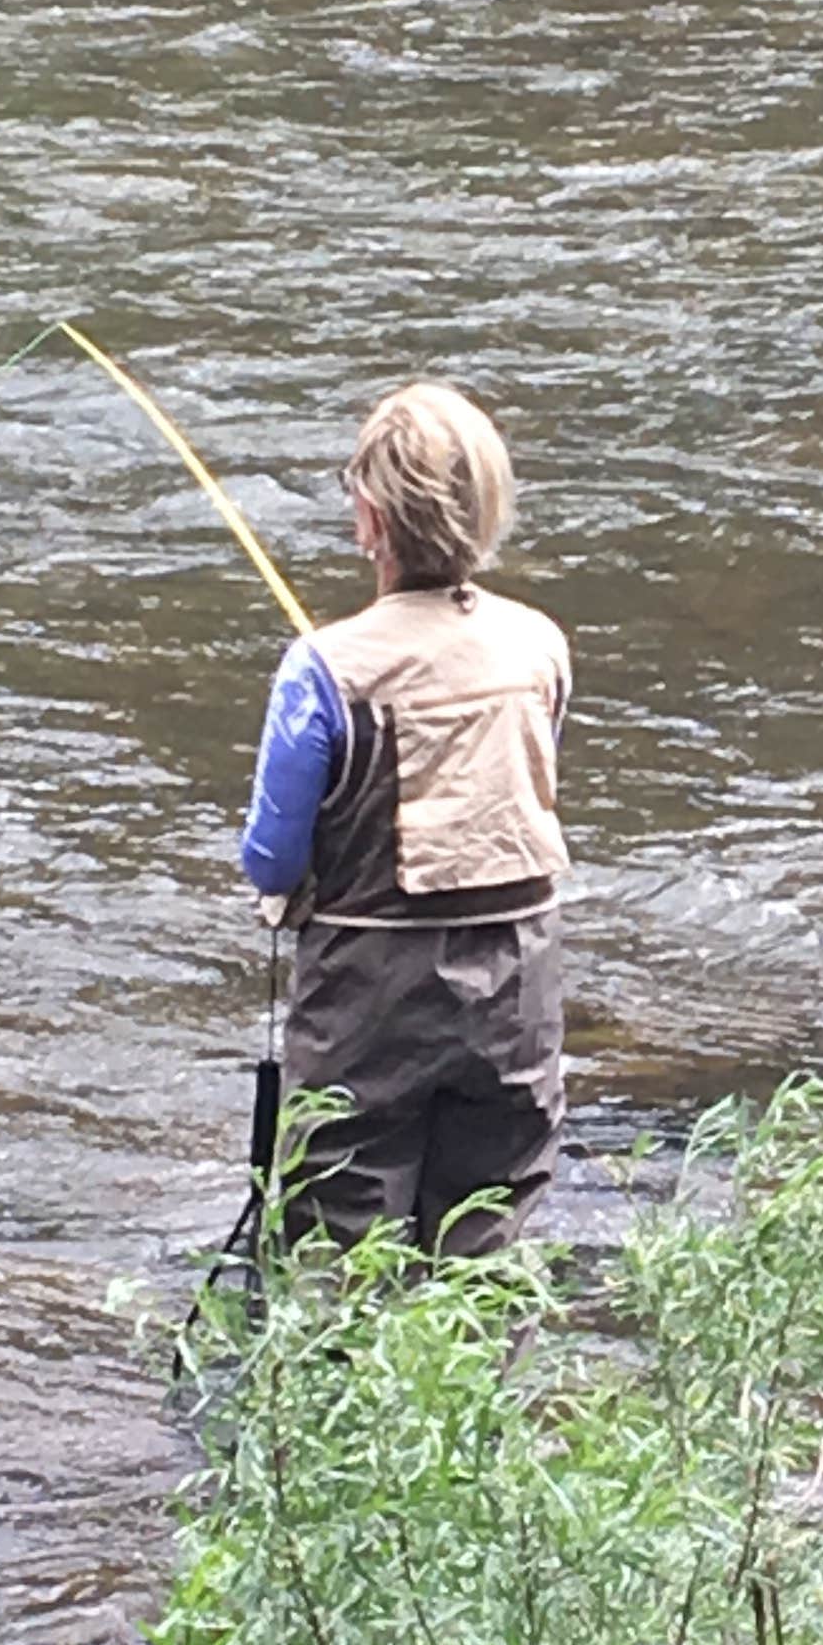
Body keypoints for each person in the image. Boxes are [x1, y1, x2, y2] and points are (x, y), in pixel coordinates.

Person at [236, 381, 570, 1254]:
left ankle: (337, 1390)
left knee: (338, 1234)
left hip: (366, 995)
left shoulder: (319, 671)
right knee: (491, 1234)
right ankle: (481, 1394)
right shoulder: (540, 646)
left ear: (371, 519)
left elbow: (270, 861)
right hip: (516, 988)